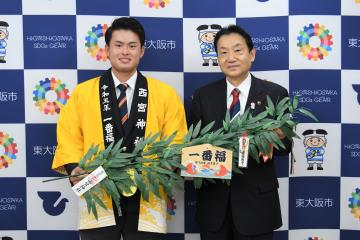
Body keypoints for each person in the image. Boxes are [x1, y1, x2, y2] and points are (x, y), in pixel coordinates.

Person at [52, 17, 187, 240]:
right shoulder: (83, 93)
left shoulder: (165, 94)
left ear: (142, 51)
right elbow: (68, 136)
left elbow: (177, 140)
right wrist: (75, 168)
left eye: (132, 46)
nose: (125, 51)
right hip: (97, 188)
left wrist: (164, 169)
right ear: (107, 50)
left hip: (148, 193)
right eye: (118, 45)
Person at [188, 25, 292, 240]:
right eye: (223, 52)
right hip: (213, 206)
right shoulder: (203, 96)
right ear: (216, 57)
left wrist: (277, 137)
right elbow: (193, 147)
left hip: (257, 206)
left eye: (238, 50)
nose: (230, 58)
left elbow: (286, 148)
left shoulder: (275, 94)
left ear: (251, 54)